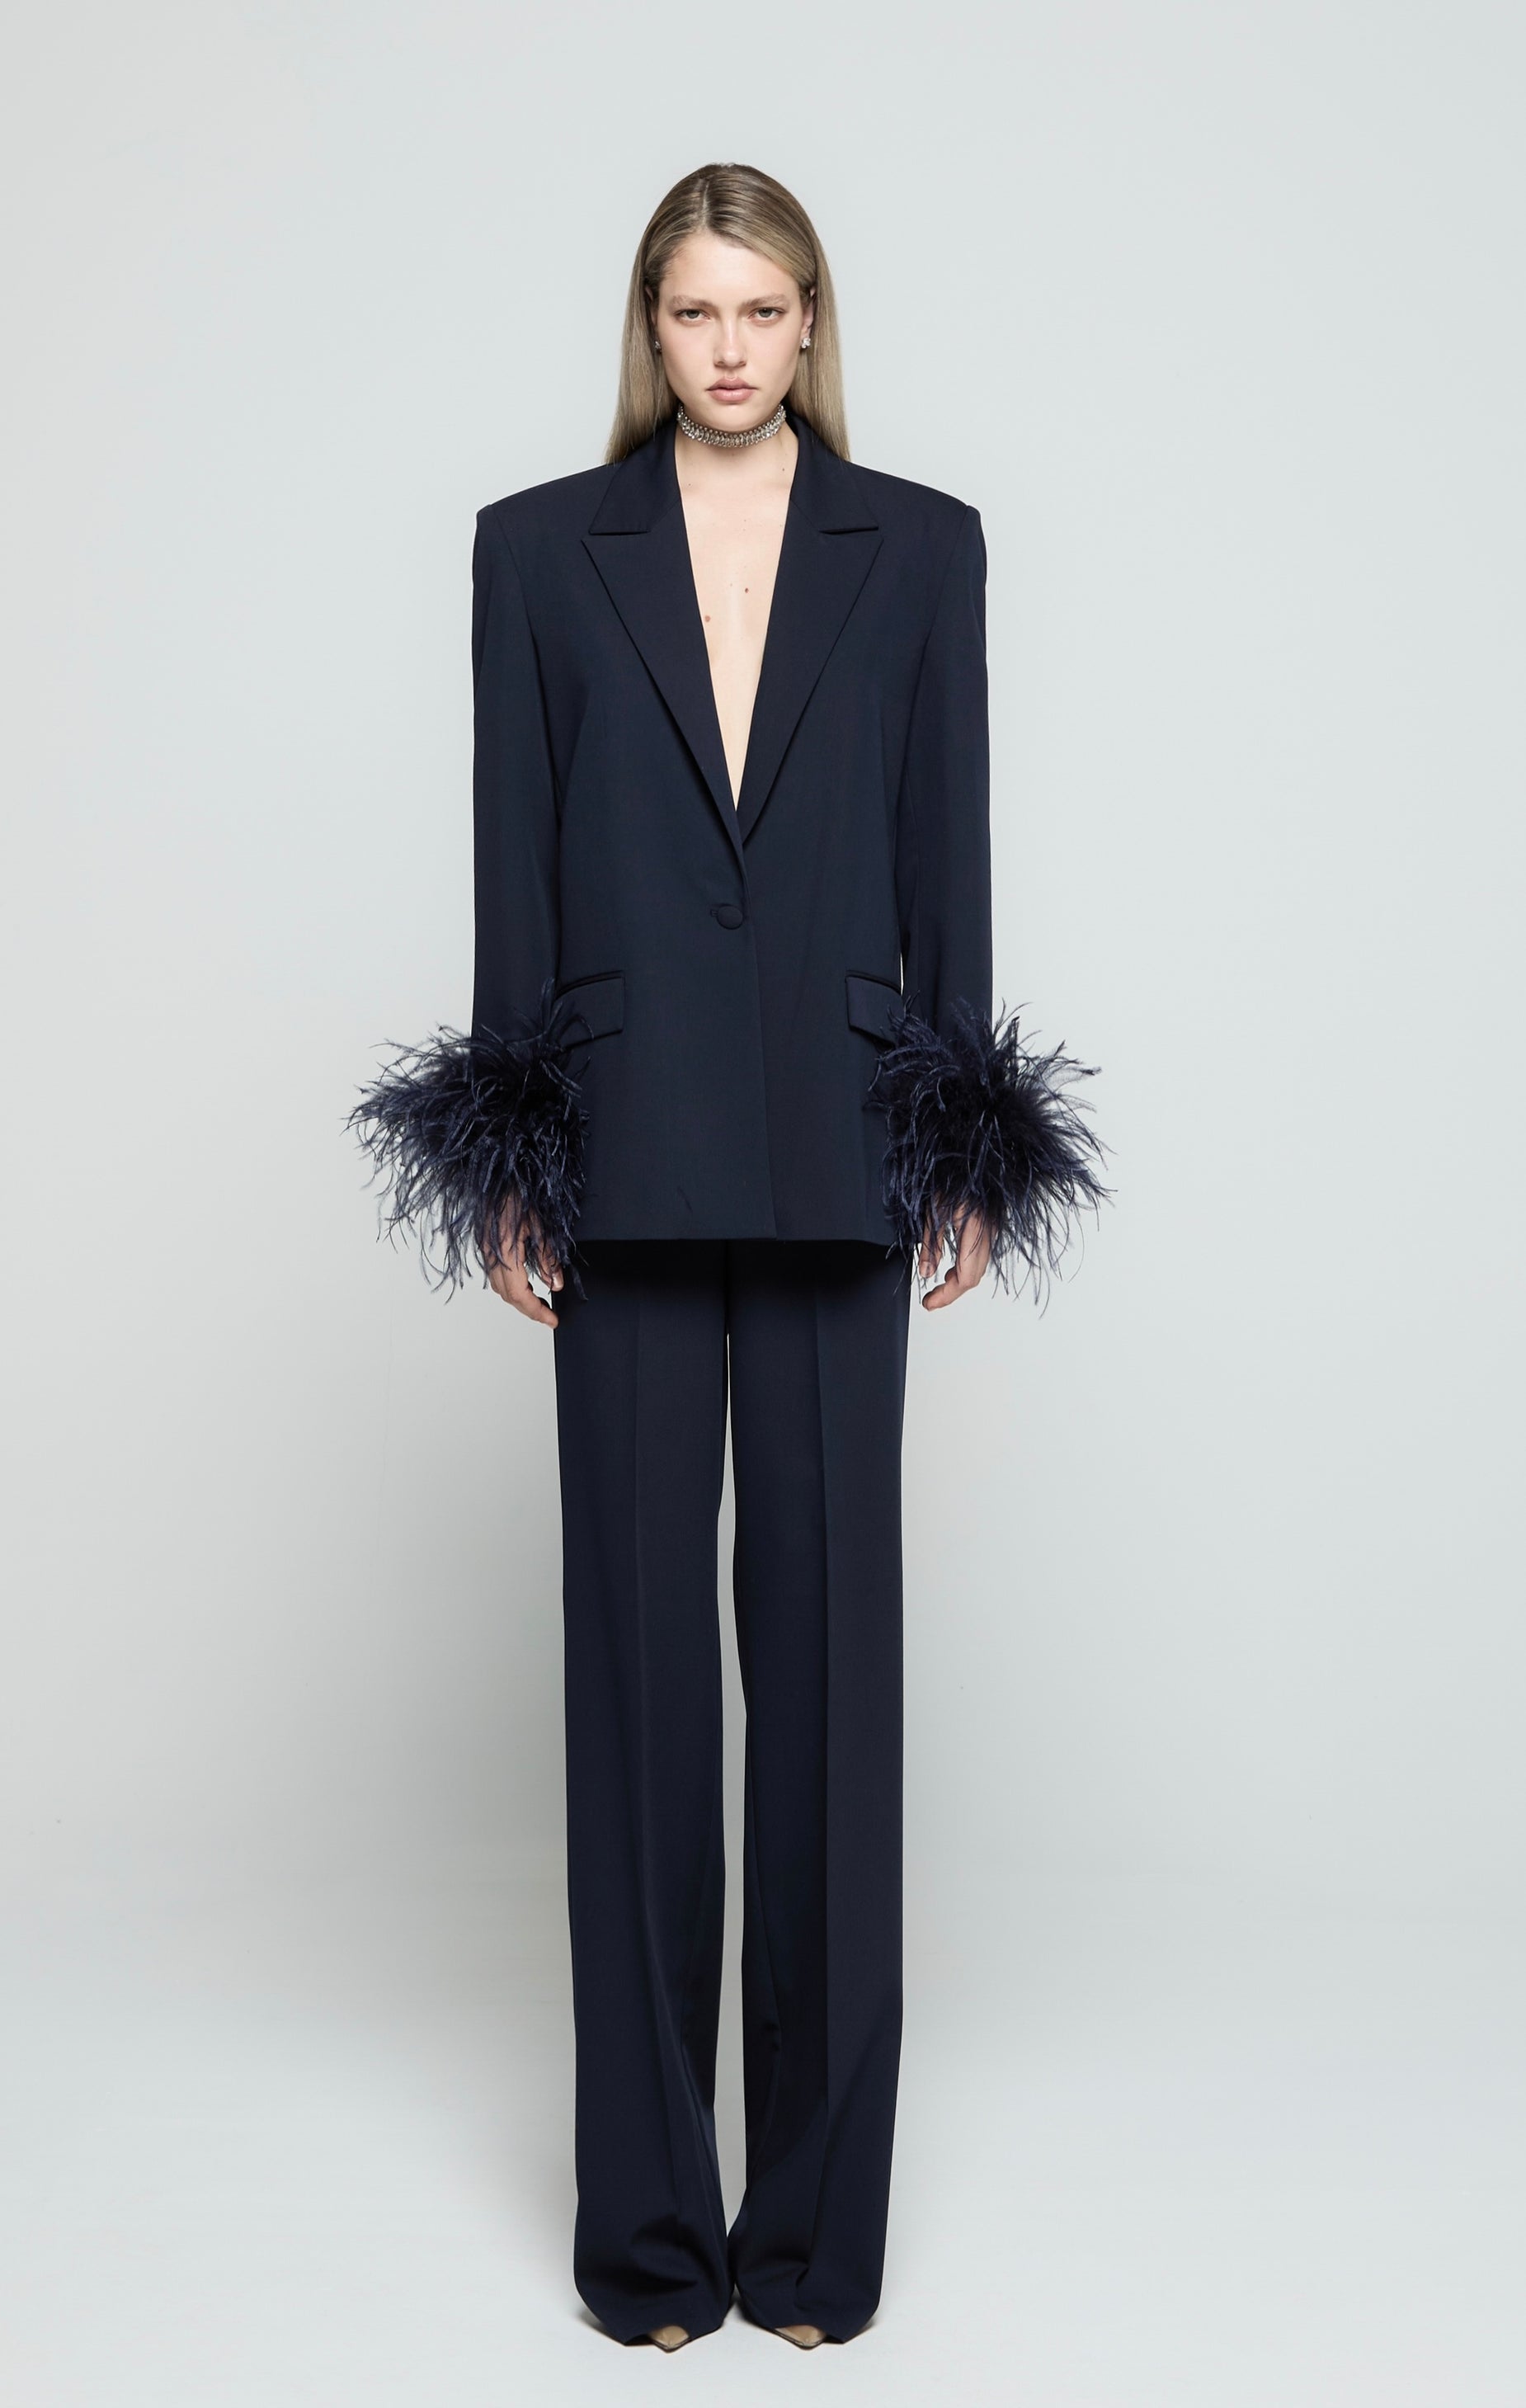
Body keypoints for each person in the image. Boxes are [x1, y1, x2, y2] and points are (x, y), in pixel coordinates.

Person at [350, 161, 1108, 2350]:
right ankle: (653, 2240)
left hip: (847, 1145)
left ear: (811, 324)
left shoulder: (922, 548)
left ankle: (812, 2238)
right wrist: (507, 1146)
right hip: (618, 1143)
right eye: (694, 311)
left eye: (763, 310)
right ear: (650, 327)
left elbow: (949, 853)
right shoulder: (536, 551)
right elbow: (510, 861)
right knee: (638, 1693)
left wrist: (963, 1130)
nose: (729, 349)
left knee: (831, 1693)